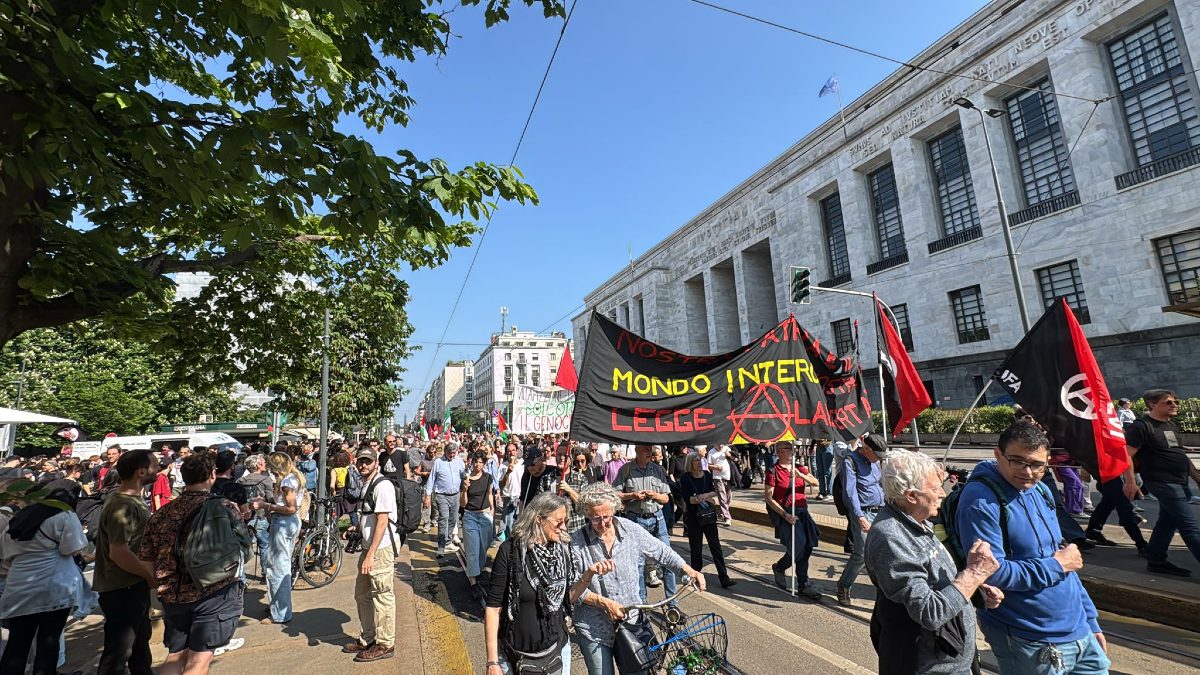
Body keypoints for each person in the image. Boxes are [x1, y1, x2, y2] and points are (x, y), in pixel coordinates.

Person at [957, 423, 1108, 675]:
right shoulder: (980, 501)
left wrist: (1090, 620)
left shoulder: (1041, 491)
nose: (1028, 472)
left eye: (1037, 465)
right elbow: (990, 573)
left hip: (1077, 629)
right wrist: (1057, 565)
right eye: (1018, 461)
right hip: (1028, 636)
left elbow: (1065, 561)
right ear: (998, 455)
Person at [865, 450, 1004, 675]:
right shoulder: (890, 536)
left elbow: (934, 581)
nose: (942, 493)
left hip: (951, 659)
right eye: (935, 488)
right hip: (929, 666)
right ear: (911, 495)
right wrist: (974, 574)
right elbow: (929, 612)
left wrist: (977, 591)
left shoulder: (917, 521)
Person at [569, 483, 705, 675]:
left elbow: (662, 552)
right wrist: (602, 602)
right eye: (595, 518)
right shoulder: (576, 541)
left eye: (606, 516)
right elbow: (573, 589)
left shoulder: (630, 530)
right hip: (594, 627)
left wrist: (689, 570)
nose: (602, 523)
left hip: (631, 622)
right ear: (586, 514)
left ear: (615, 509)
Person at [139, 453, 244, 675]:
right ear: (212, 475)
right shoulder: (224, 507)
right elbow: (242, 545)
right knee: (199, 661)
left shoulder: (161, 514)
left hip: (173, 594)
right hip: (213, 590)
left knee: (176, 655)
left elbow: (147, 558)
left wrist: (159, 583)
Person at [483, 492, 577, 675]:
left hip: (557, 651)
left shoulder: (563, 549)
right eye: (558, 522)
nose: (563, 527)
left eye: (565, 521)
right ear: (539, 519)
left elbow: (568, 598)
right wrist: (492, 662)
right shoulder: (511, 551)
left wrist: (588, 576)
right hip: (518, 657)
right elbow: (493, 609)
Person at [0, 483, 87, 675]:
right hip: (55, 587)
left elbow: (5, 553)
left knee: (18, 641)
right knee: (49, 640)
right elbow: (72, 549)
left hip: (19, 585)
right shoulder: (65, 516)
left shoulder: (17, 517)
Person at [94, 449, 159, 675]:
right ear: (141, 471)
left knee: (139, 647)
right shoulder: (122, 505)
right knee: (118, 653)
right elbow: (118, 551)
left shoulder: (130, 499)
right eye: (155, 465)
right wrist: (148, 575)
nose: (159, 468)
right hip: (122, 588)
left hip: (131, 586)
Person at [1122, 389, 1200, 576]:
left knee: (1168, 521)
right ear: (1152, 404)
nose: (1174, 405)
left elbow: (1179, 454)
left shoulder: (1170, 425)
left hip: (1179, 481)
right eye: (1168, 402)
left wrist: (1197, 478)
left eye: (1175, 402)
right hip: (1162, 481)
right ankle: (1157, 559)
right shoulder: (1141, 426)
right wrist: (1130, 482)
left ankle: (1156, 560)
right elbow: (1126, 456)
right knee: (1190, 527)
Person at [342, 447, 399, 663]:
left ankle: (385, 643)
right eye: (361, 461)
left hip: (380, 549)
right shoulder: (368, 482)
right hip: (369, 547)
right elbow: (370, 517)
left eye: (368, 461)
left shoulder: (382, 485)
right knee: (362, 594)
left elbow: (383, 522)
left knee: (383, 596)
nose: (363, 465)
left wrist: (370, 554)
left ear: (376, 463)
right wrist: (356, 531)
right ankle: (368, 637)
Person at [613, 444, 677, 603]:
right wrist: (632, 495)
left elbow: (666, 498)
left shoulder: (657, 470)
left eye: (651, 450)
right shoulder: (626, 470)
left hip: (657, 519)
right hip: (635, 520)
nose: (650, 452)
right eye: (646, 449)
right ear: (637, 451)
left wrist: (656, 495)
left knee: (668, 560)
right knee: (638, 564)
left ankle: (672, 603)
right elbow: (615, 494)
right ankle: (642, 603)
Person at [764, 439, 822, 600]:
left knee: (808, 546)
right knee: (799, 545)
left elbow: (815, 482)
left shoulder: (799, 467)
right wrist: (785, 515)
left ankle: (803, 584)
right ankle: (780, 567)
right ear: (780, 452)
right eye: (788, 448)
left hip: (803, 511)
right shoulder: (772, 471)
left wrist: (800, 475)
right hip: (787, 512)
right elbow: (769, 498)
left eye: (792, 448)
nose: (792, 450)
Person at [252, 451, 304, 624]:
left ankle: (280, 612)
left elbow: (291, 508)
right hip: (289, 523)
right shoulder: (293, 478)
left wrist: (265, 505)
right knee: (281, 565)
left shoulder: (287, 482)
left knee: (277, 567)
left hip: (284, 523)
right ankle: (278, 605)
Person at [837, 433, 885, 607]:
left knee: (884, 552)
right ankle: (843, 585)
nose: (879, 459)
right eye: (877, 455)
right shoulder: (850, 462)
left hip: (880, 511)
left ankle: (885, 590)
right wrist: (859, 516)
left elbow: (880, 485)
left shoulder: (874, 462)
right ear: (866, 449)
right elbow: (849, 493)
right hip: (863, 513)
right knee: (861, 555)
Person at [677, 451, 736, 589]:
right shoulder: (685, 478)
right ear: (690, 463)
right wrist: (702, 498)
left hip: (708, 516)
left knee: (716, 547)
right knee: (696, 549)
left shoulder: (707, 475)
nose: (699, 463)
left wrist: (704, 496)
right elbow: (688, 499)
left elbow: (714, 492)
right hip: (693, 518)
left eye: (700, 460)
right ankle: (696, 575)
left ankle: (724, 577)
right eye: (696, 460)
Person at [462, 451, 496, 601]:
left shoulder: (488, 477)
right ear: (472, 462)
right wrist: (464, 489)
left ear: (484, 463)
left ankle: (477, 570)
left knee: (483, 548)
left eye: (480, 462)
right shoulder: (466, 479)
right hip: (470, 516)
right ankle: (473, 583)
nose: (477, 464)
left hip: (485, 516)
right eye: (475, 461)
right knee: (472, 550)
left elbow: (489, 494)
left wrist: (492, 511)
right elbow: (463, 503)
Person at [424, 441, 466, 557]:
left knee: (453, 519)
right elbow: (431, 479)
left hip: (456, 495)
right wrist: (427, 496)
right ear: (445, 452)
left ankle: (448, 542)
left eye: (454, 453)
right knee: (444, 519)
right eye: (450, 453)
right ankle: (441, 547)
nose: (452, 455)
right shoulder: (438, 462)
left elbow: (464, 476)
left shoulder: (459, 461)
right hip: (442, 496)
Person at [237, 454, 274, 575]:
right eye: (263, 462)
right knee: (264, 545)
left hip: (244, 515)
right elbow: (270, 498)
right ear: (258, 465)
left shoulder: (241, 481)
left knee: (242, 547)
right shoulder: (266, 479)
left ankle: (241, 577)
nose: (265, 463)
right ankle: (265, 573)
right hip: (261, 515)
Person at [559, 449, 598, 535]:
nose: (580, 464)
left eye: (582, 461)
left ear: (587, 460)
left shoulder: (591, 471)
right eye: (577, 461)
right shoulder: (574, 473)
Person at [497, 443, 524, 540]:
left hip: (520, 498)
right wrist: (508, 472)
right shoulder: (503, 466)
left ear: (517, 451)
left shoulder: (522, 464)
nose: (511, 453)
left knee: (520, 524)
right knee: (509, 525)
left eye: (513, 450)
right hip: (508, 499)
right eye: (509, 451)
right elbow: (501, 484)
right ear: (506, 453)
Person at [706, 444, 733, 526]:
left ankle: (722, 512)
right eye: (719, 444)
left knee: (728, 496)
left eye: (722, 444)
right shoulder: (711, 452)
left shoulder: (726, 448)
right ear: (715, 443)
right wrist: (716, 467)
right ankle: (727, 517)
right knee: (722, 496)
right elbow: (708, 465)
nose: (721, 445)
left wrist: (729, 455)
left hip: (728, 477)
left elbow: (736, 459)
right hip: (717, 477)